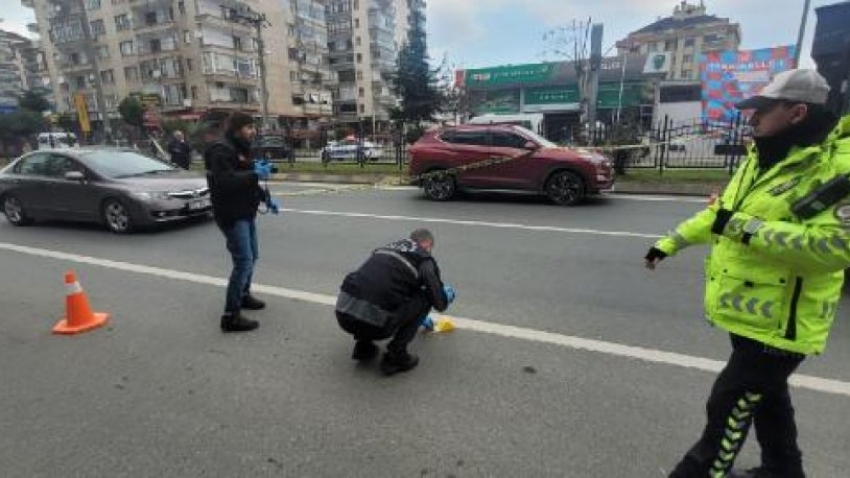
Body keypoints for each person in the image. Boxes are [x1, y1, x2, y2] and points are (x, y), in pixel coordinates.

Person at [645, 69, 850, 478]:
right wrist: (670, 243)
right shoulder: (762, 157)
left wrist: (740, 226)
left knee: (726, 408)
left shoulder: (835, 168)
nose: (751, 119)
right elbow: (720, 215)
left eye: (761, 110)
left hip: (783, 324)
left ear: (796, 113)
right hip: (752, 315)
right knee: (769, 400)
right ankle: (784, 472)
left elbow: (834, 248)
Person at [335, 229, 456, 376]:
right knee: (425, 297)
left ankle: (363, 347)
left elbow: (382, 284)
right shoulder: (424, 259)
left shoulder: (385, 249)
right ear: (428, 245)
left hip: (343, 315)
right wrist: (445, 296)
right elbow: (439, 303)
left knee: (372, 292)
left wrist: (420, 319)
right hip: (376, 326)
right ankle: (396, 356)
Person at [205, 112, 279, 333]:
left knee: (252, 256)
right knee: (244, 261)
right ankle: (230, 315)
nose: (253, 131)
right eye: (248, 127)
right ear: (237, 128)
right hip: (231, 214)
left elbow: (246, 177)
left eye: (253, 127)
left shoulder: (240, 148)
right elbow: (225, 181)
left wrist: (266, 198)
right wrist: (255, 173)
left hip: (245, 212)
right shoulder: (221, 149)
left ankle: (244, 295)